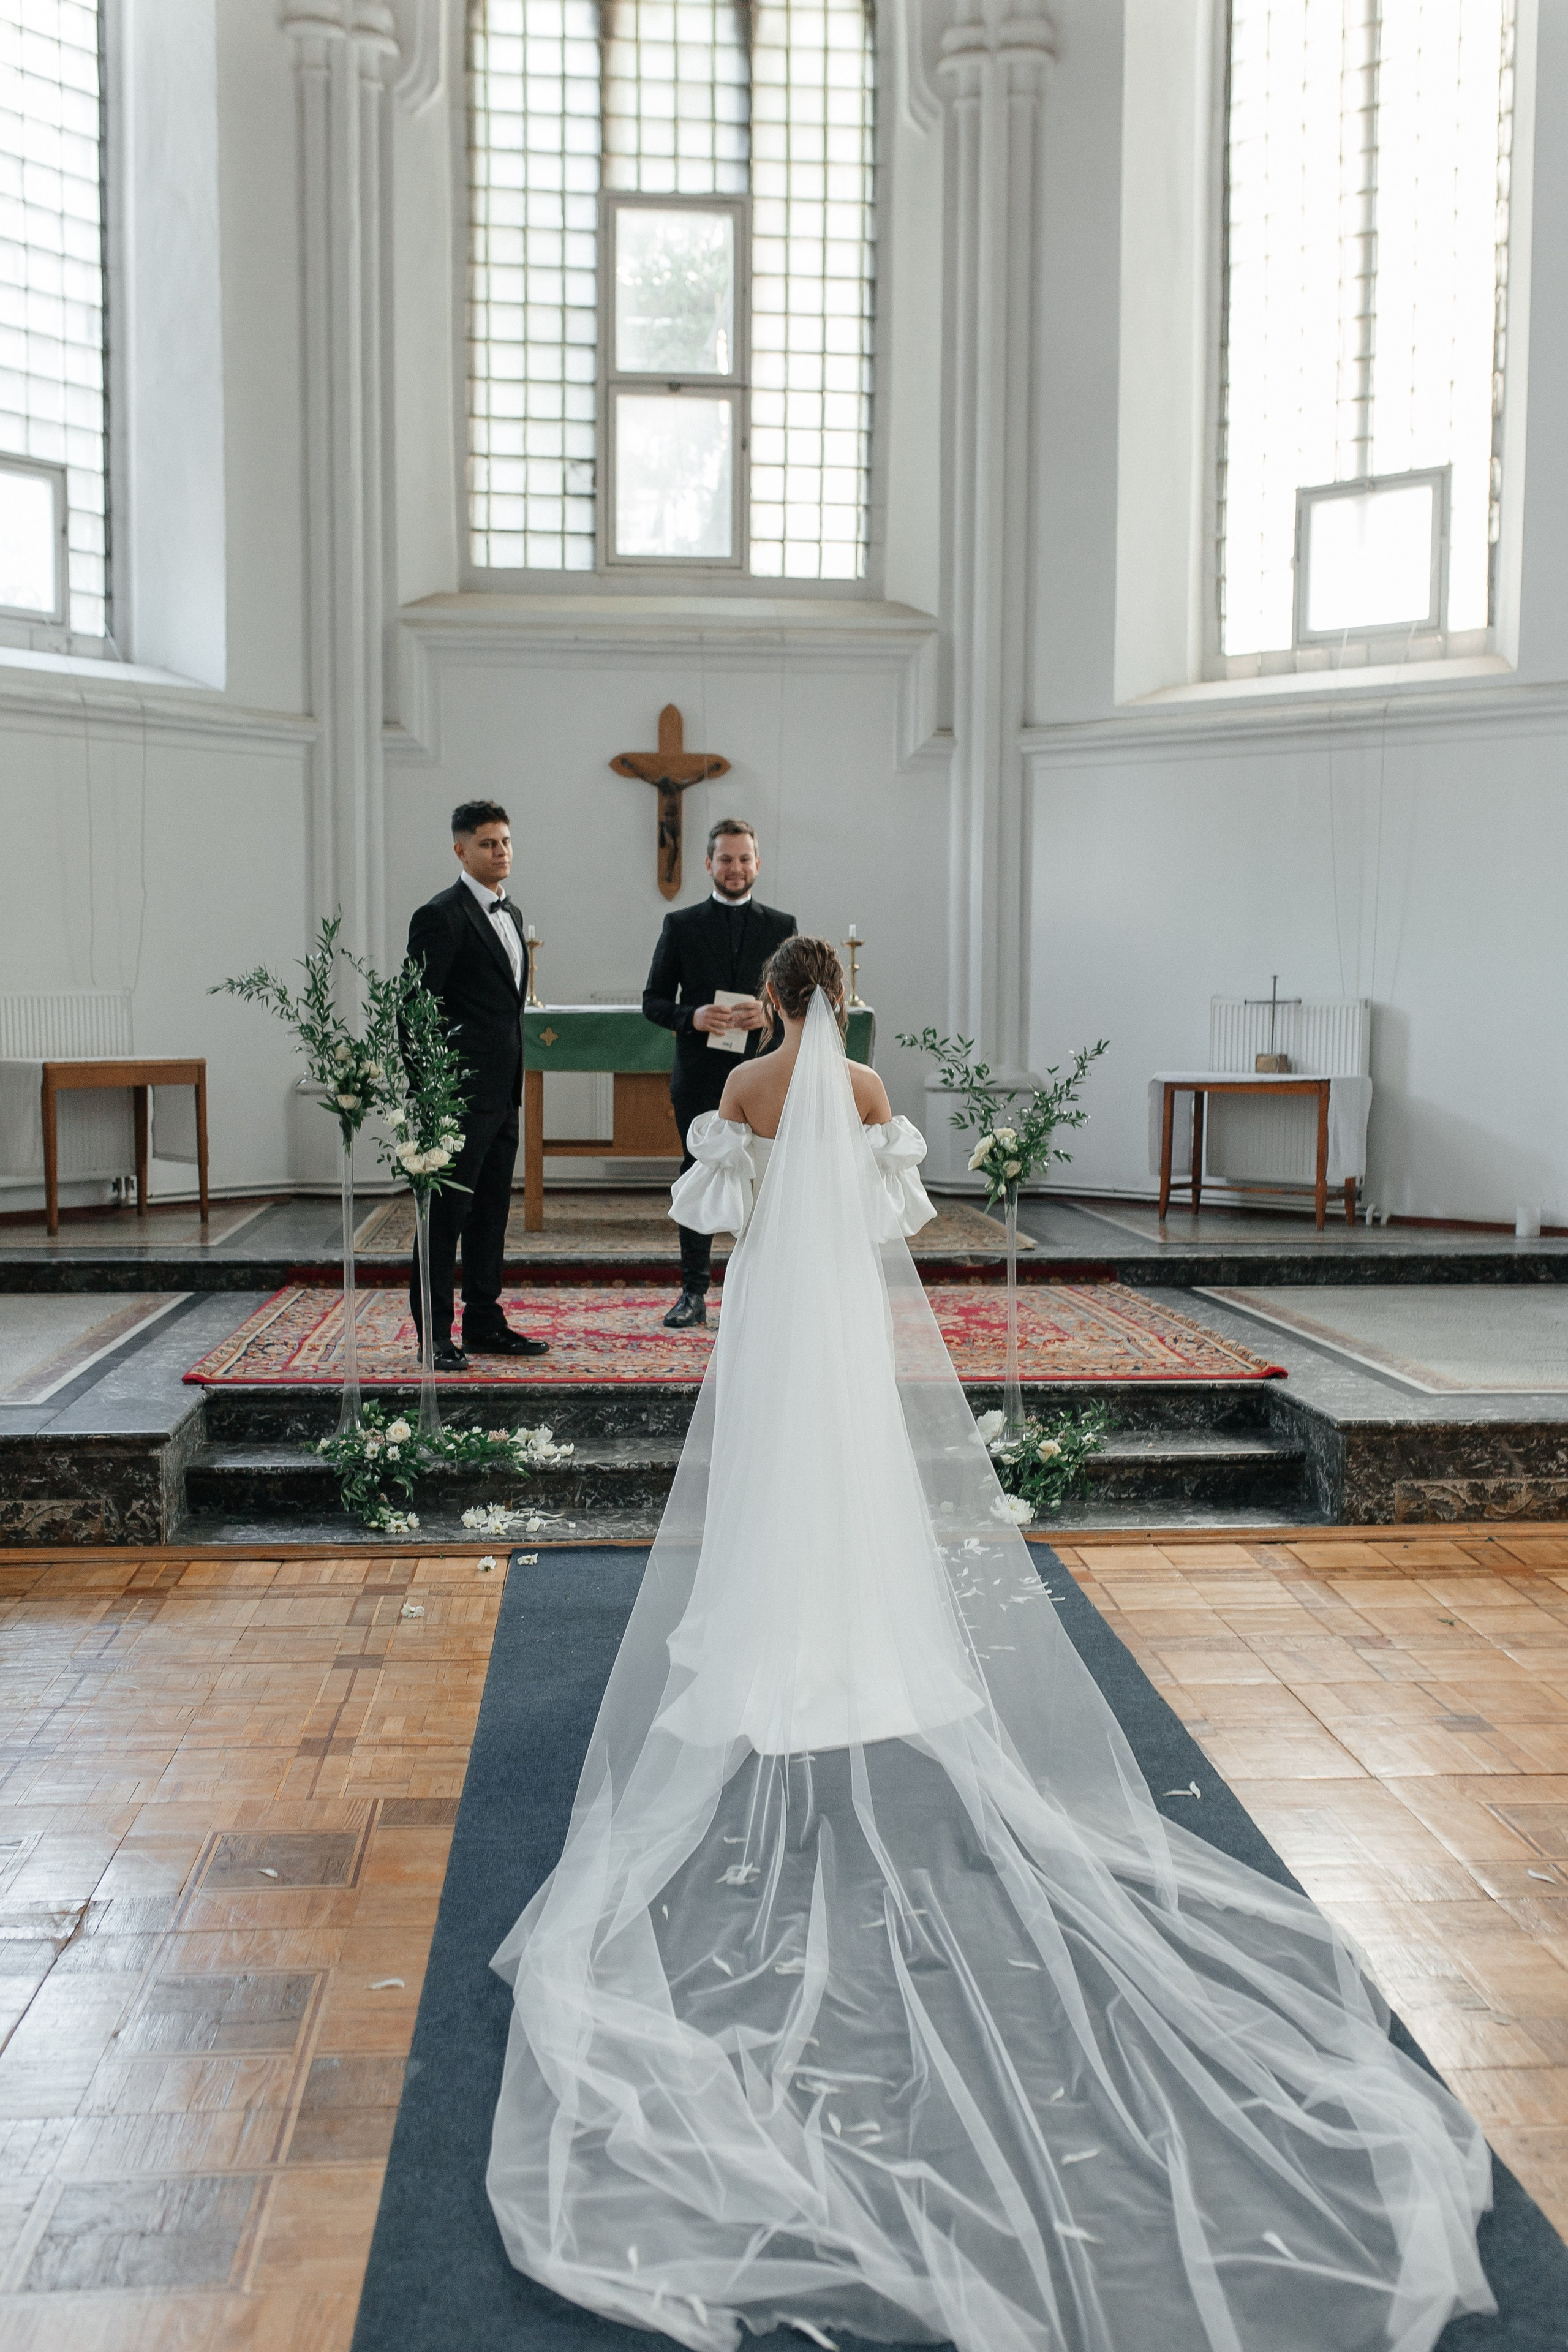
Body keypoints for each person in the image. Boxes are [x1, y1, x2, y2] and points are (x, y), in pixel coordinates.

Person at [486, 934, 1491, 2352]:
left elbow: (716, 1214)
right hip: (843, 1312)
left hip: (772, 1307)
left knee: (774, 1462)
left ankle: (769, 1612)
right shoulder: (867, 1086)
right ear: (841, 995)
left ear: (770, 999)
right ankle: (861, 1618)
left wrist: (754, 1139)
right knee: (856, 1466)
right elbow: (889, 1220)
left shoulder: (745, 1086)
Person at [404, 799, 548, 1371]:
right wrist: (429, 1095)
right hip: (456, 1099)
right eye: (488, 844)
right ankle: (434, 1335)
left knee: (490, 1216)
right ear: (461, 850)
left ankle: (484, 1322)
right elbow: (415, 1012)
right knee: (444, 1221)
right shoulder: (440, 916)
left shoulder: (513, 914)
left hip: (503, 1094)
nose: (501, 851)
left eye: (506, 841)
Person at [641, 817, 795, 1327]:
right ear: (708, 863)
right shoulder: (680, 925)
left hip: (765, 1071)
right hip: (701, 1073)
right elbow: (653, 1001)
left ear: (758, 863)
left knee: (769, 1177)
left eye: (744, 858)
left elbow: (799, 1001)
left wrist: (768, 1013)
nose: (735, 868)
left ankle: (768, 1290)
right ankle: (693, 1292)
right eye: (726, 859)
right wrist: (693, 1016)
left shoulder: (782, 926)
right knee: (700, 1172)